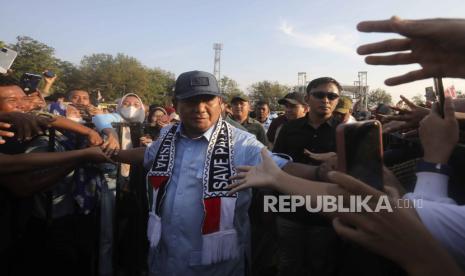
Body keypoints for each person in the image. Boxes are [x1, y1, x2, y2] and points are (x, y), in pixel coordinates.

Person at [112, 70, 320, 276]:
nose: (200, 109)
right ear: (176, 105)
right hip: (165, 259)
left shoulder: (241, 142)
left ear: (220, 104)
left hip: (216, 265)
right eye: (191, 101)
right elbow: (148, 154)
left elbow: (280, 167)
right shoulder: (167, 136)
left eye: (207, 101)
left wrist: (321, 173)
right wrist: (113, 153)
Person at [272, 77, 342, 276]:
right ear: (307, 98)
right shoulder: (289, 129)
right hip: (289, 209)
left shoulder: (344, 132)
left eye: (332, 96)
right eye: (319, 95)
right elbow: (276, 163)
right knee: (288, 263)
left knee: (320, 264)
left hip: (326, 212)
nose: (326, 100)